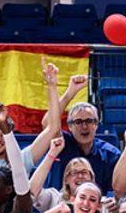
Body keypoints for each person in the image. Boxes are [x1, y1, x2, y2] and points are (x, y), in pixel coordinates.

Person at [31, 61, 119, 191]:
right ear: (69, 126)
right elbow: (47, 124)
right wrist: (70, 93)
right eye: (78, 122)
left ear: (96, 124)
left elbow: (116, 192)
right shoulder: (62, 143)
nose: (84, 126)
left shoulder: (110, 154)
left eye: (89, 121)